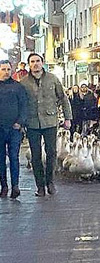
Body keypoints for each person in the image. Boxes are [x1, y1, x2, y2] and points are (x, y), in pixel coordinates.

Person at [21, 53, 72, 197]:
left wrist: (68, 118)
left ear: (42, 62)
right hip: (32, 123)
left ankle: (50, 182)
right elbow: (20, 103)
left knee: (52, 153)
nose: (35, 64)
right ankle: (40, 186)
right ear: (29, 64)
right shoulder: (23, 83)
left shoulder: (53, 79)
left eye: (38, 61)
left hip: (50, 121)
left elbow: (63, 98)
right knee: (35, 156)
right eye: (32, 61)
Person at [0, 60, 27, 199]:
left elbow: (24, 106)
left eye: (8, 69)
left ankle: (15, 186)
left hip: (14, 129)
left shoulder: (18, 87)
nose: (6, 72)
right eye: (3, 69)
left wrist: (20, 122)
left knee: (14, 158)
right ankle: (3, 186)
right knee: (0, 160)